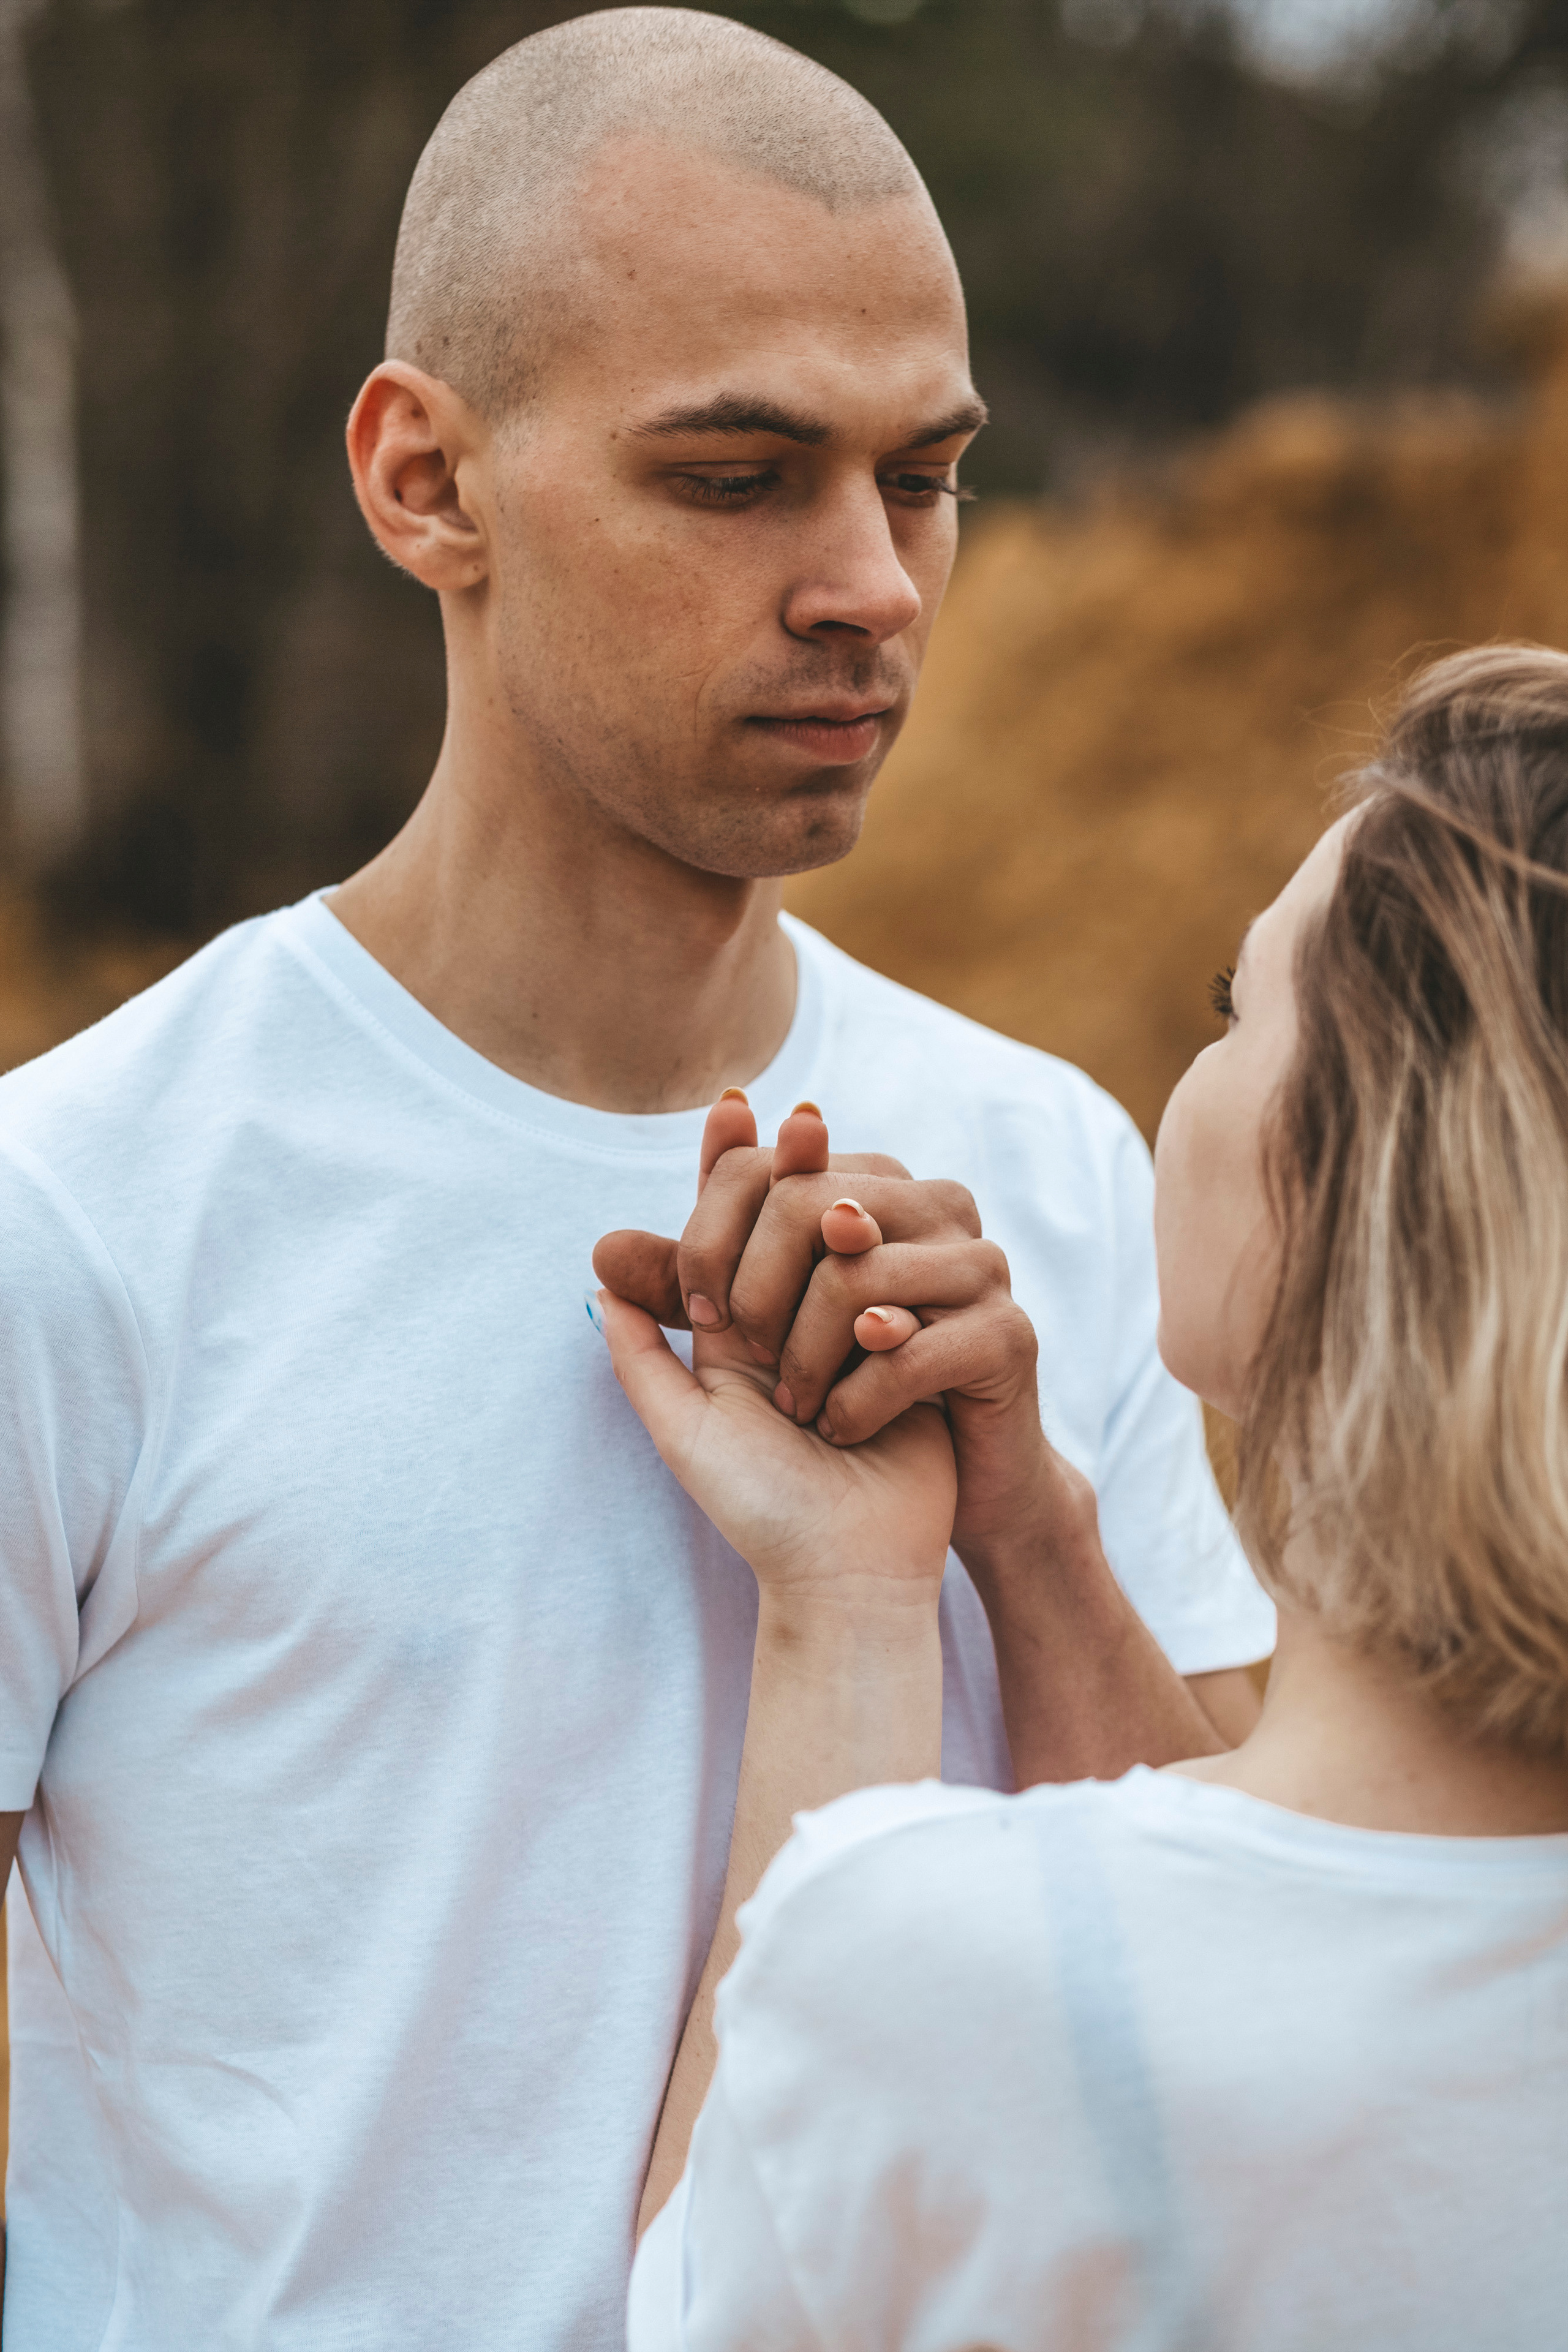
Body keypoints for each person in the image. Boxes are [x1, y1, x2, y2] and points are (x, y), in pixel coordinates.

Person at [0, 13, 1270, 2348]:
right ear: (427, 484)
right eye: (741, 475)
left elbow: (1242, 2006)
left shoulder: (1057, 1174)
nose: (874, 583)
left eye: (926, 476)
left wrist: (1032, 1539)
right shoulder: (79, 1218)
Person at [602, 646, 1568, 2352]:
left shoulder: (922, 1972)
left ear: (1348, 1174)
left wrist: (853, 1605)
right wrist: (1033, 1531)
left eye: (1235, 1006)